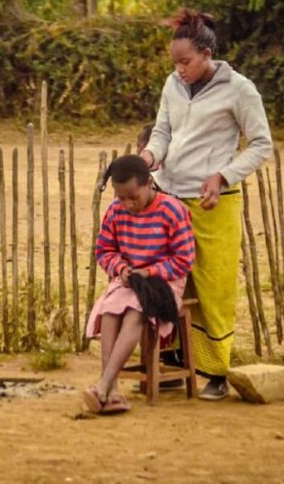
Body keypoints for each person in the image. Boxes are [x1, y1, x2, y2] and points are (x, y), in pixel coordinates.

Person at [140, 9, 273, 401]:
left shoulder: (240, 90)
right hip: (168, 198)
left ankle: (215, 372)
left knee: (213, 286)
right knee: (167, 282)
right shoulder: (172, 84)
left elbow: (261, 144)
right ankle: (168, 364)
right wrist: (149, 157)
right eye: (175, 63)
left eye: (185, 62)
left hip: (213, 203)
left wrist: (223, 176)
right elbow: (162, 132)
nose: (179, 70)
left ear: (207, 54)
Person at [83, 155, 195, 414]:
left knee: (136, 310)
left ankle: (103, 385)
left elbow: (184, 260)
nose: (127, 204)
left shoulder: (172, 210)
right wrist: (120, 268)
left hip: (164, 284)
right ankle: (112, 391)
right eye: (121, 197)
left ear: (149, 184)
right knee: (111, 308)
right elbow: (104, 250)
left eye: (133, 197)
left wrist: (150, 272)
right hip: (129, 280)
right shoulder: (115, 211)